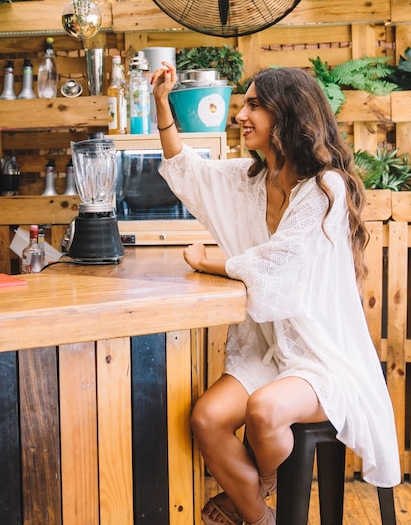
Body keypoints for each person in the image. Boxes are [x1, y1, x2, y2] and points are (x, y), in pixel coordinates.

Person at [151, 64, 400, 525]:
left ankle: (258, 486)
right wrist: (162, 104)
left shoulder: (326, 187)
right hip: (267, 348)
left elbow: (279, 267)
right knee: (207, 418)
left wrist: (210, 262)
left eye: (253, 105)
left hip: (321, 353)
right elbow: (188, 172)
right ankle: (263, 517)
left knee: (264, 410)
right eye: (243, 104)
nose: (240, 114)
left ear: (286, 115)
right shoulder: (249, 181)